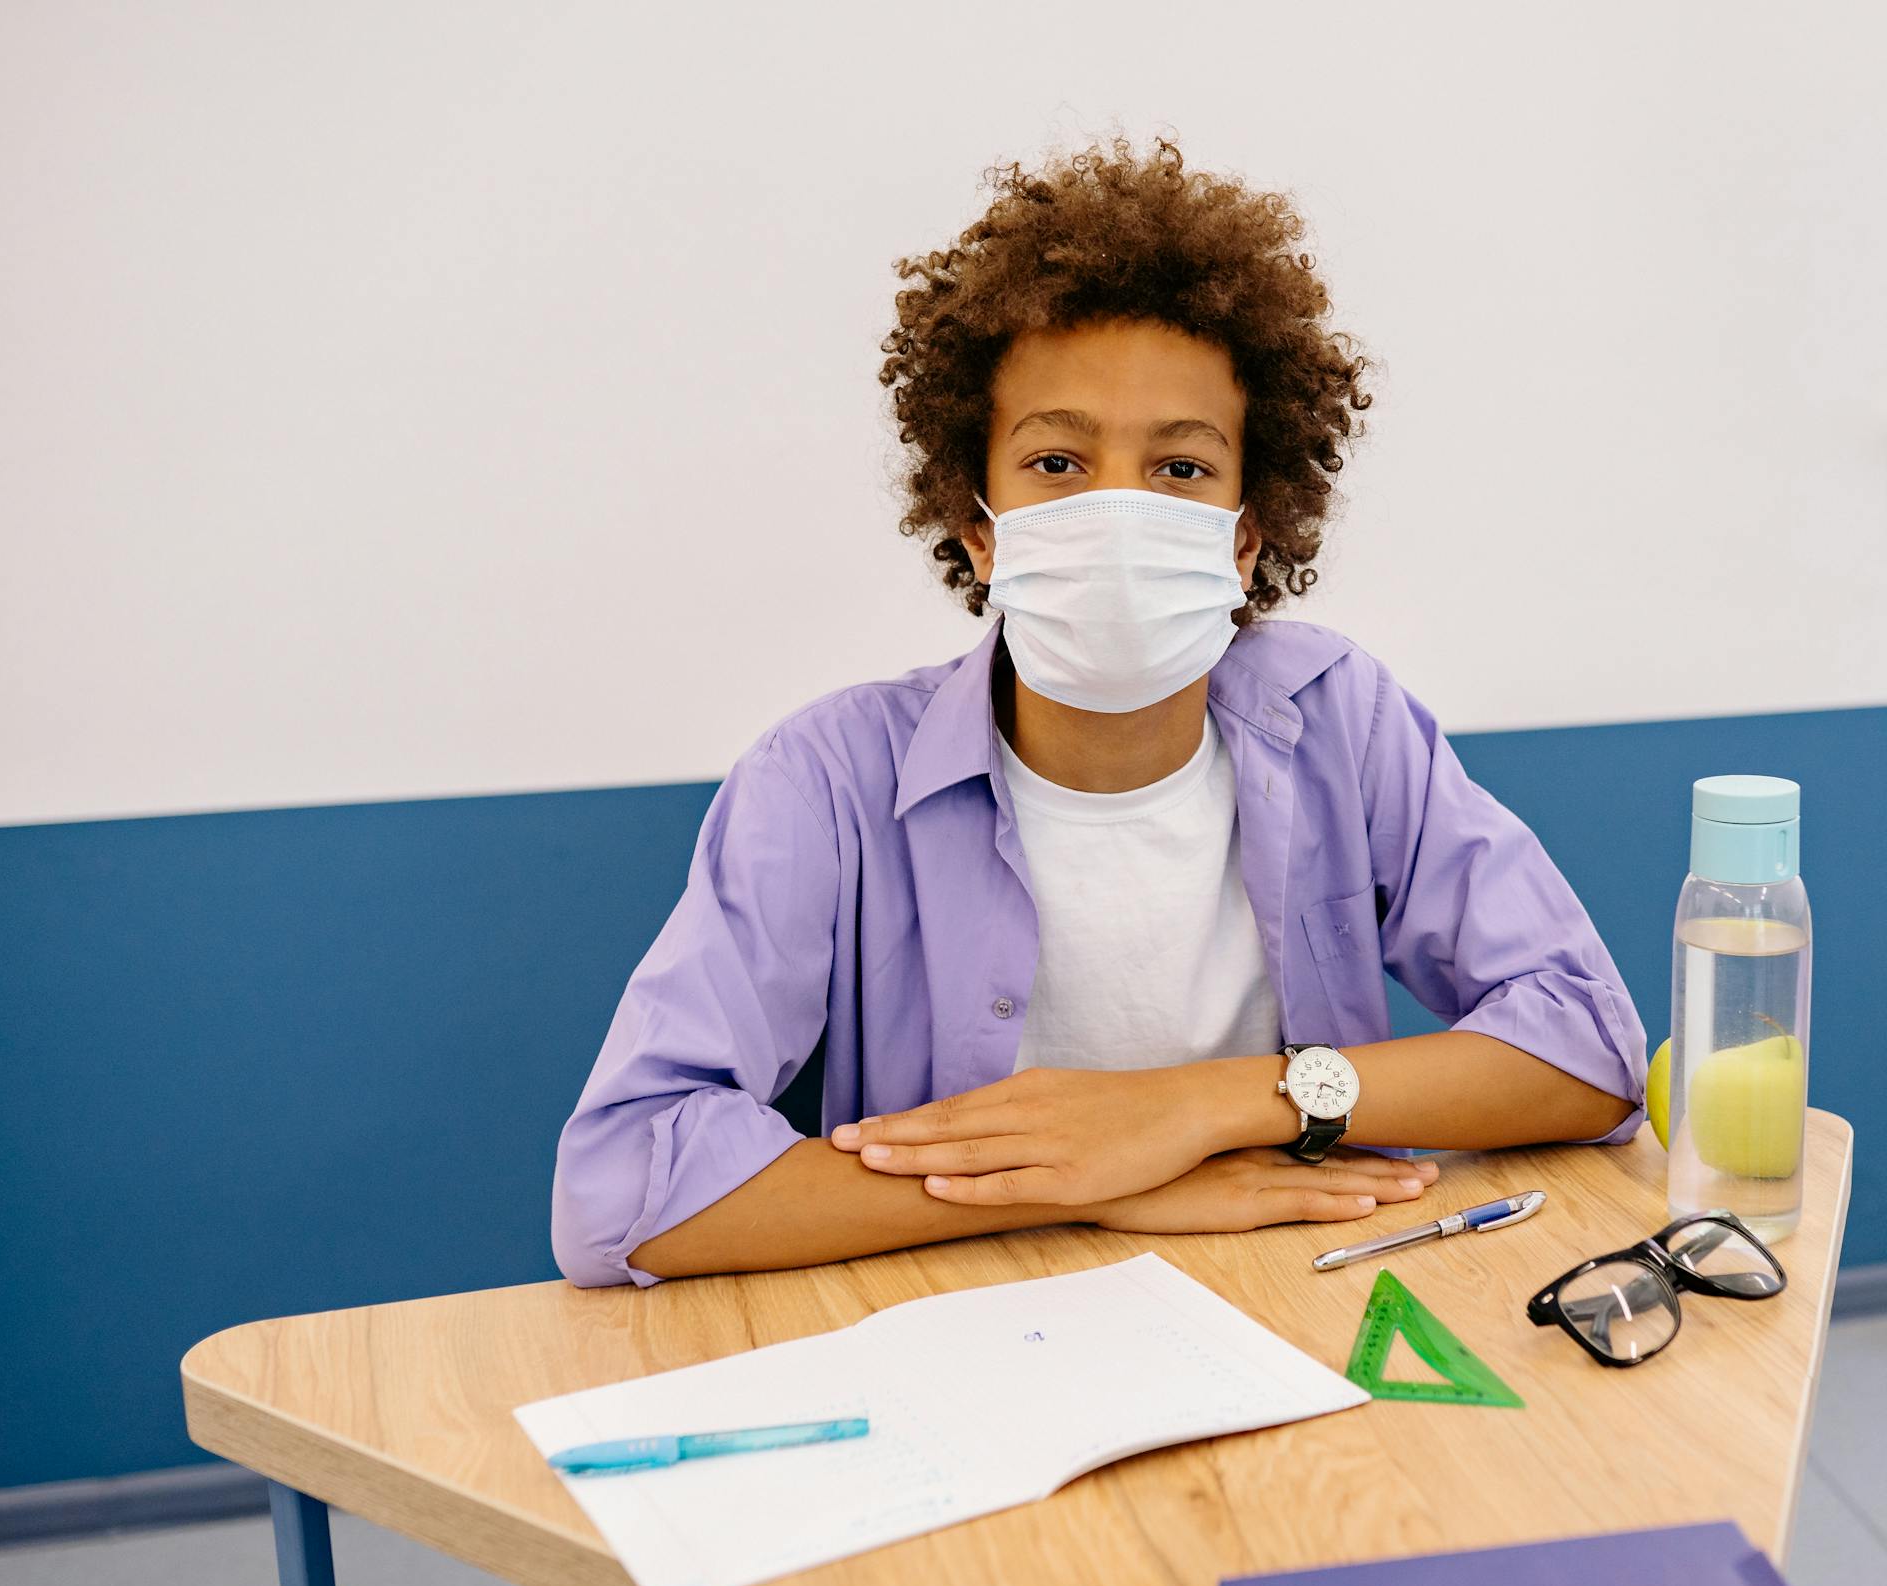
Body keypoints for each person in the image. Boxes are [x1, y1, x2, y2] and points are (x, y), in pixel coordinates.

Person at [551, 134, 1647, 1289]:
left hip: (1302, 1295)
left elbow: (1588, 1048)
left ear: (1245, 532)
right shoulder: (825, 780)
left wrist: (1207, 1109)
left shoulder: (1341, 720)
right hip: (966, 1335)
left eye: (1179, 470)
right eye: (1059, 463)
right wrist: (1093, 1193)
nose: (1118, 507)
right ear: (978, 525)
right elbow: (620, 1190)